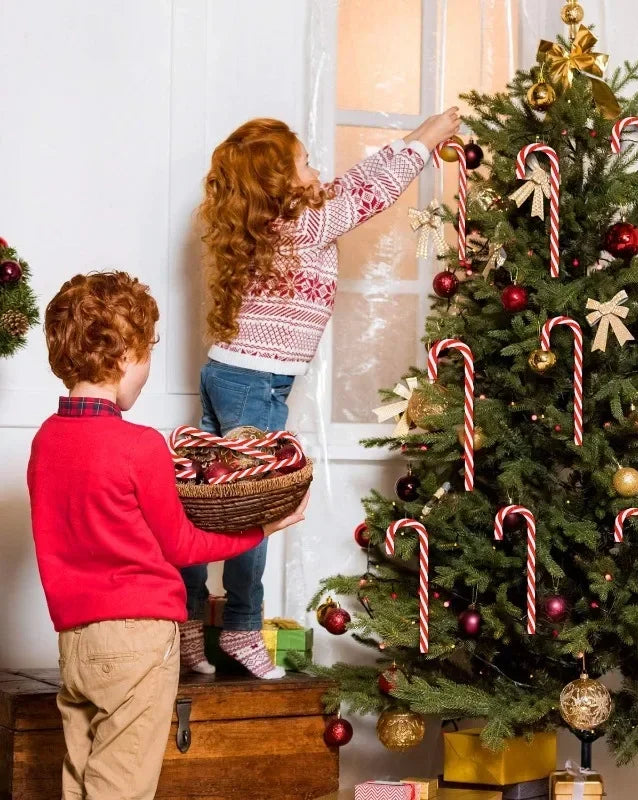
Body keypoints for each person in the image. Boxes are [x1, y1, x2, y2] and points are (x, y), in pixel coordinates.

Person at [180, 108, 461, 677]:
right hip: (255, 384)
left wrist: (414, 138)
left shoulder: (274, 222)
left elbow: (356, 182)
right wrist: (428, 139)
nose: (316, 168)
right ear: (279, 183)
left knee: (203, 508)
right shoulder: (305, 225)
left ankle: (186, 629)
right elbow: (368, 193)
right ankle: (238, 628)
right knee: (249, 514)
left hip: (227, 373)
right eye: (304, 162)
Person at [28, 271, 307, 800]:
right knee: (121, 789)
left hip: (75, 641)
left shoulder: (45, 442)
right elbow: (183, 546)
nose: (148, 371)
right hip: (137, 637)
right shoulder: (140, 446)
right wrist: (262, 527)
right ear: (126, 356)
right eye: (148, 354)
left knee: (79, 783)